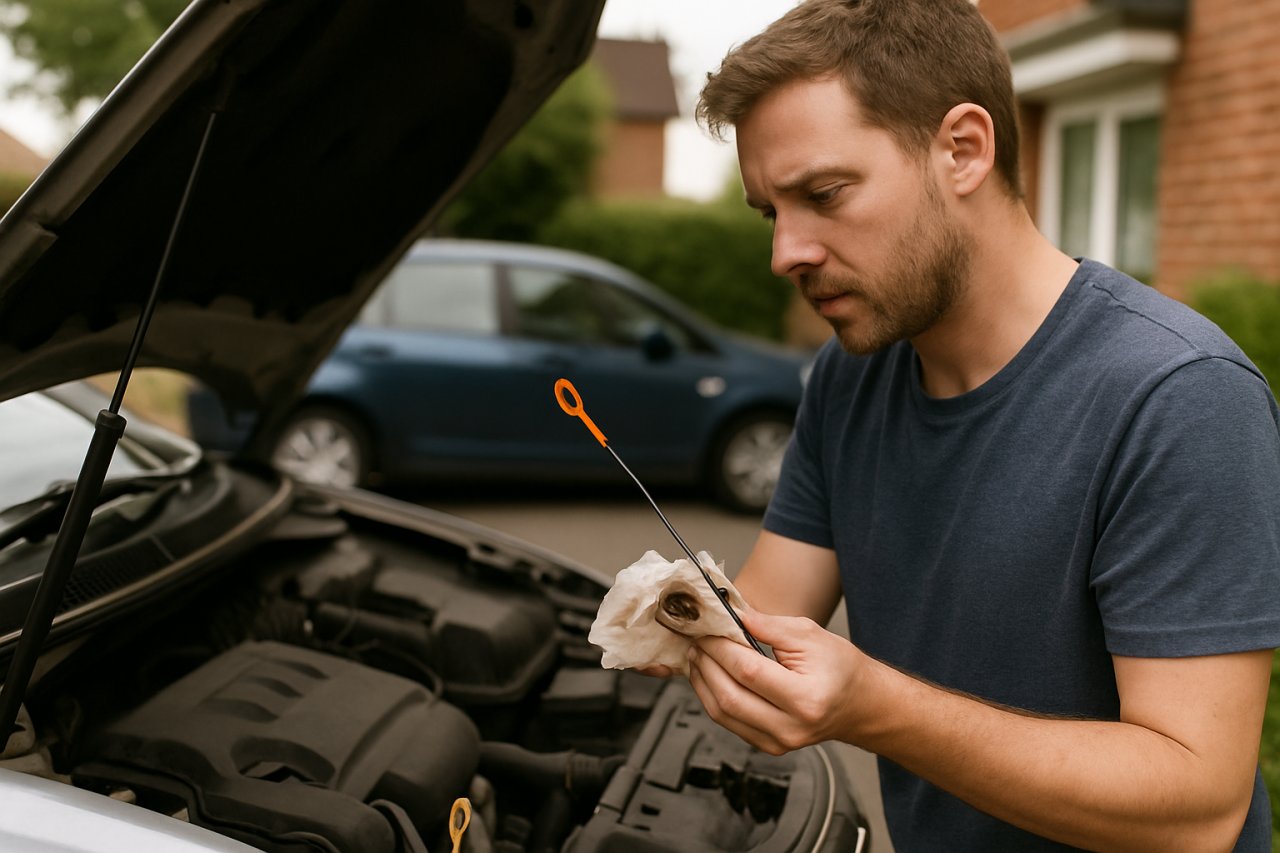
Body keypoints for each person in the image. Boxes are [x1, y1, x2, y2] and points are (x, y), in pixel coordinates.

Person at [676, 0, 1280, 850]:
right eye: (771, 213)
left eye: (822, 194)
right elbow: (763, 618)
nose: (786, 254)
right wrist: (671, 617)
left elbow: (1198, 807)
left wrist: (873, 706)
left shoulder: (1178, 396)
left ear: (963, 149)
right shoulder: (849, 378)